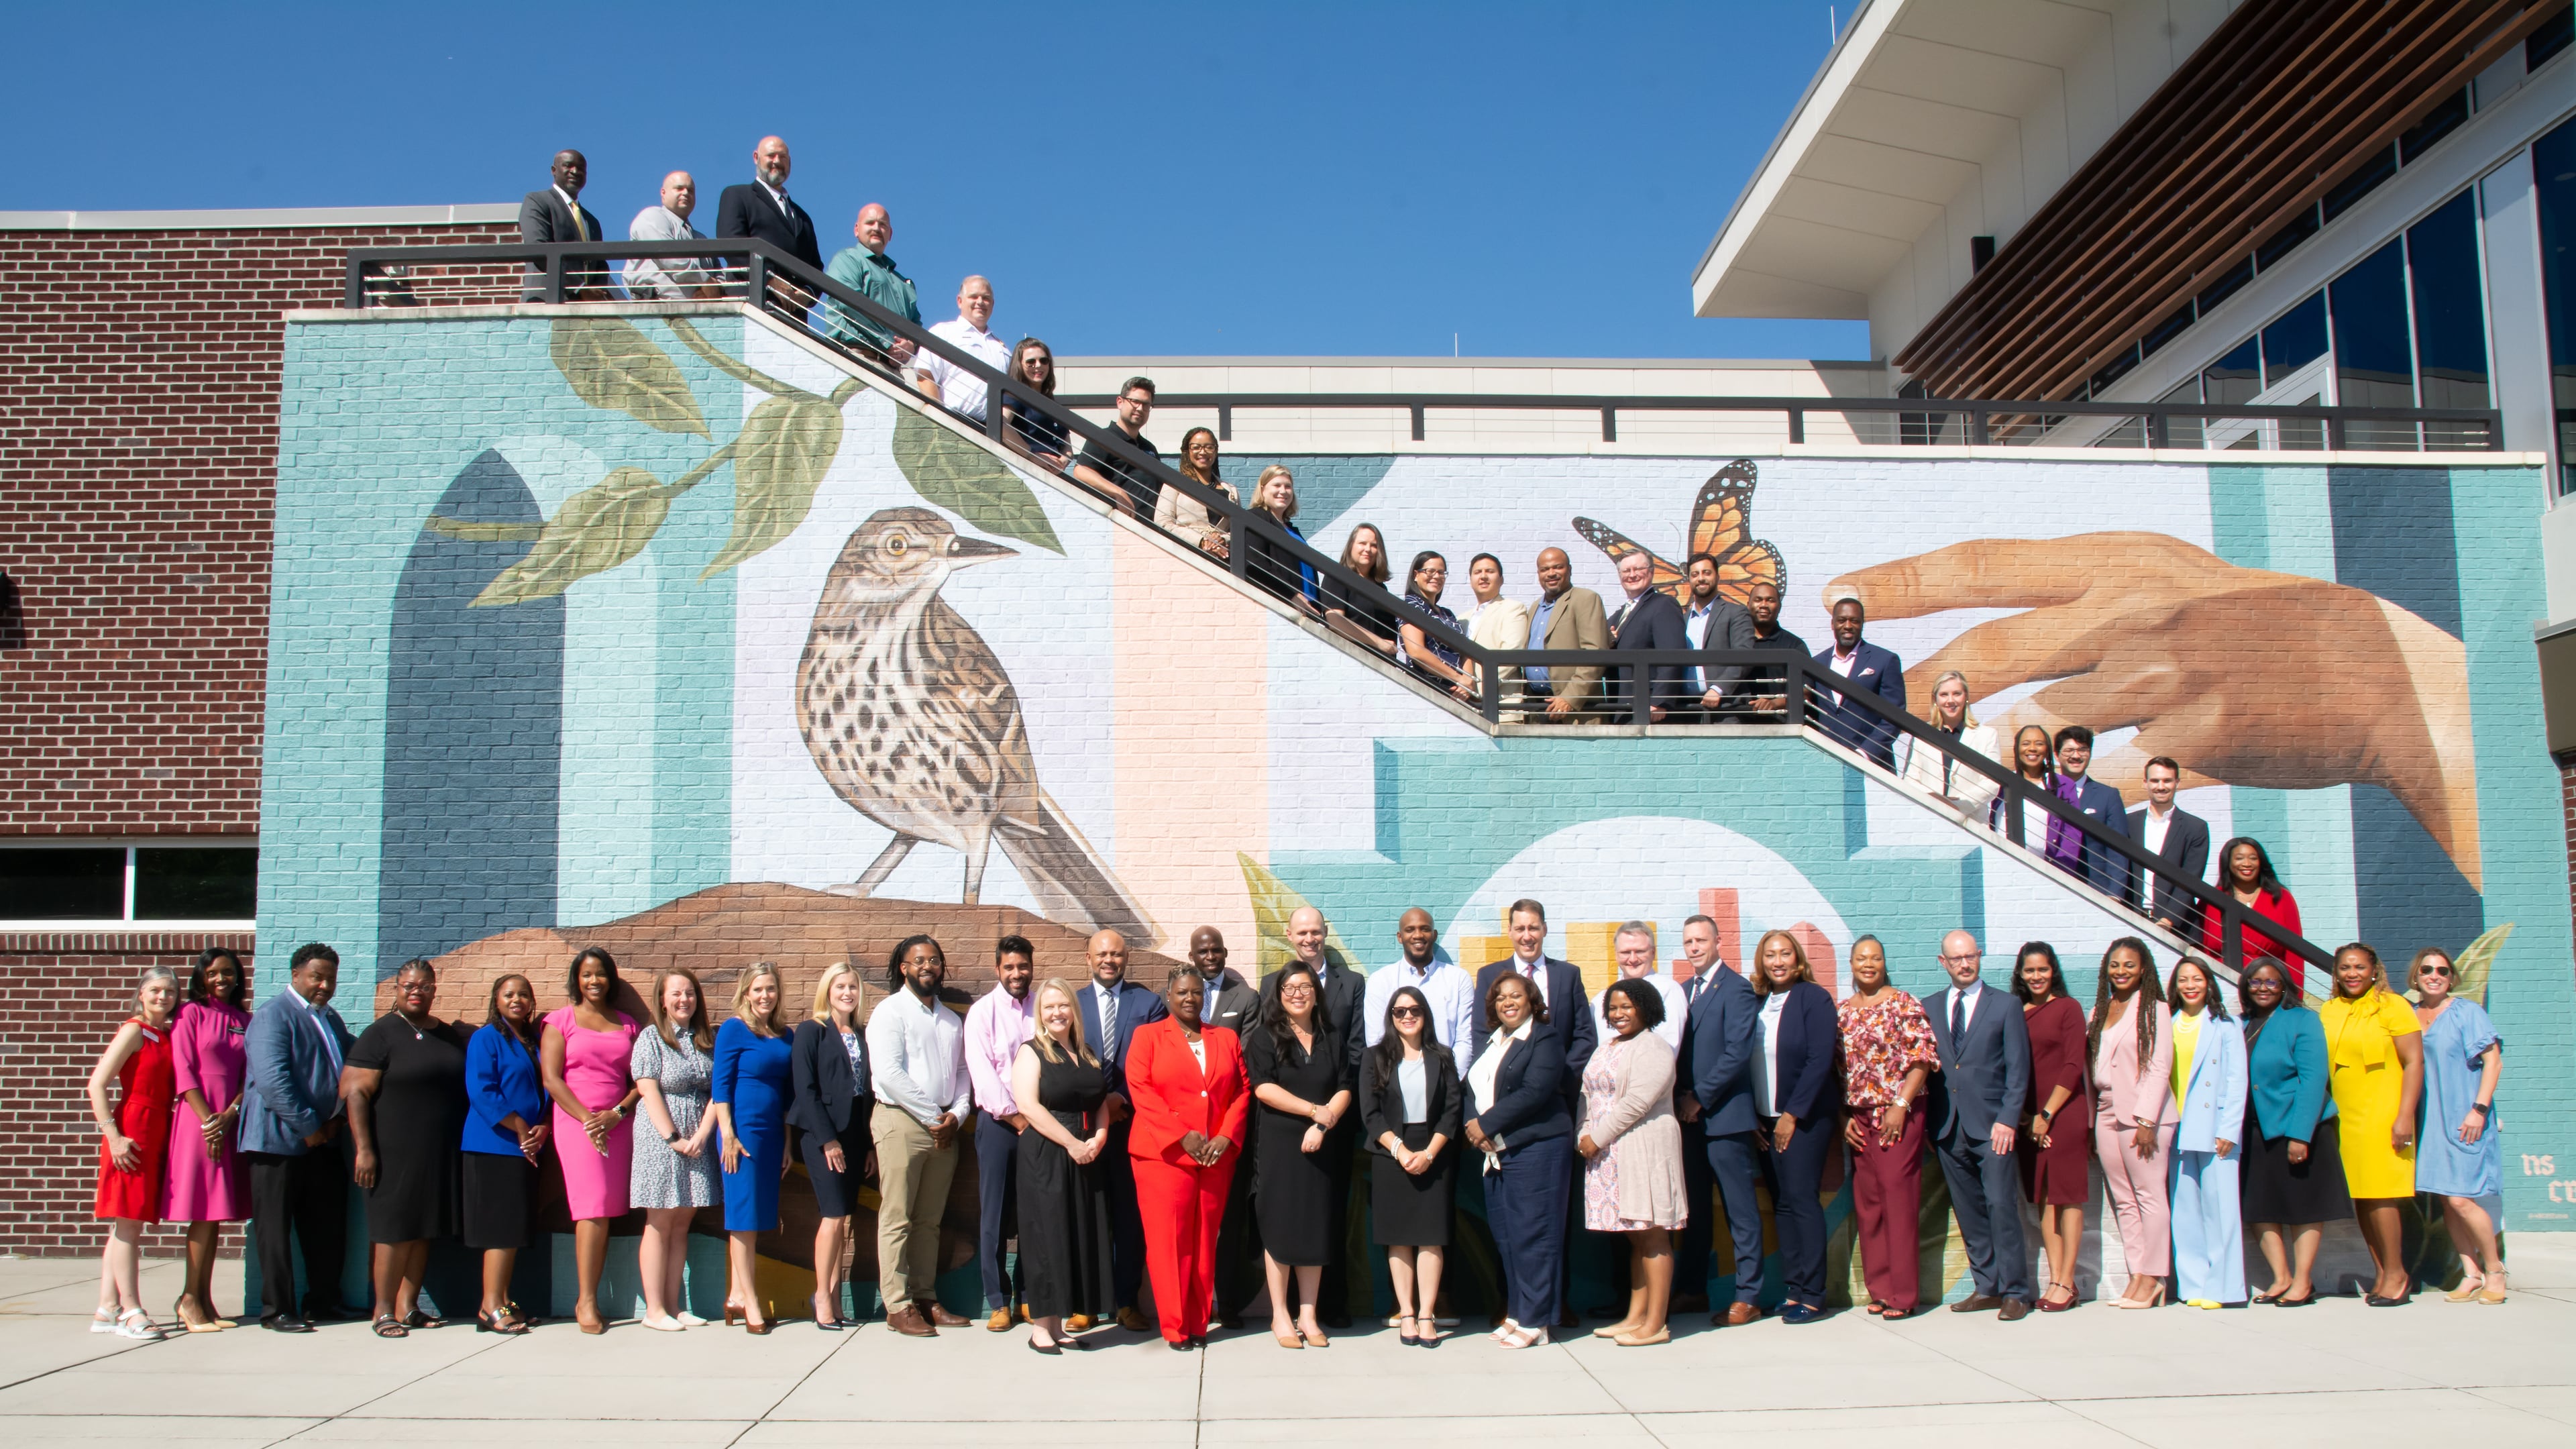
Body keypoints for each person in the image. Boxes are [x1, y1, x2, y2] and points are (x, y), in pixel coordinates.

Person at [1124, 966, 1250, 1348]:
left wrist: (1227, 1135)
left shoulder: (1225, 1038)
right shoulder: (1148, 1036)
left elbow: (1243, 1090)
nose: (1190, 999)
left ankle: (1198, 1323)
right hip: (1163, 1157)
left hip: (1214, 1158)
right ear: (1168, 995)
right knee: (1170, 1243)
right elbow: (1140, 1089)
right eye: (1182, 992)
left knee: (1204, 1243)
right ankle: (1175, 1328)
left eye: (1197, 992)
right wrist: (1182, 1135)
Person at [343, 959, 469, 1338]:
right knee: (394, 1230)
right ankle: (383, 1310)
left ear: (434, 989)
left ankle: (408, 1306)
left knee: (423, 1229)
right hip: (392, 1152)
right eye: (409, 986)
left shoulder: (445, 1034)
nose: (417, 991)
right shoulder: (380, 1034)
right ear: (397, 989)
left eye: (425, 986)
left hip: (437, 1152)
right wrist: (364, 1148)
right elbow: (354, 1092)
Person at [1258, 906, 1368, 1325]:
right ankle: (1283, 1313)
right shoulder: (1270, 984)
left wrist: (1328, 1117)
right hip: (1285, 1128)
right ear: (1289, 935)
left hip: (1333, 1123)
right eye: (1301, 932)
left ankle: (1326, 1309)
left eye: (1316, 931)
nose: (1309, 938)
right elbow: (1265, 1064)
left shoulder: (1351, 983)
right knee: (1285, 1217)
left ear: (1326, 933)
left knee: (1327, 1214)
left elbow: (1353, 1054)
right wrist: (1310, 1112)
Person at [238, 942, 355, 1331]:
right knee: (275, 1230)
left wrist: (334, 1125)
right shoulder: (274, 1016)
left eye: (331, 979)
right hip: (278, 1143)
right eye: (317, 977)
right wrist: (310, 1127)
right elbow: (274, 1083)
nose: (325, 985)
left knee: (326, 1226)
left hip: (324, 1142)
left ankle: (322, 1302)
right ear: (296, 975)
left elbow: (348, 1063)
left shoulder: (330, 1018)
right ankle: (277, 1310)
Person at [1924, 929, 2033, 1319]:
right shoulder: (1930, 1007)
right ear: (1944, 963)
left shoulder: (2005, 1006)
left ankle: (2017, 1291)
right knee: (1969, 1212)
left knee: (2001, 1206)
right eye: (1956, 959)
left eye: (1970, 956)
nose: (1965, 964)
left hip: (1993, 1128)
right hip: (1948, 1127)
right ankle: (1987, 1286)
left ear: (1980, 956)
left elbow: (2019, 1071)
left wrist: (2007, 1119)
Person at [1244, 962, 1353, 1348]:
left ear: (1316, 992)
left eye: (1304, 986)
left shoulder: (1331, 1036)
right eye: (1289, 987)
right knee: (1280, 1228)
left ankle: (1308, 1315)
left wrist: (1323, 1125)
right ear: (1279, 993)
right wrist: (1312, 1112)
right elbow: (1264, 1089)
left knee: (1314, 1228)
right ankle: (1280, 1316)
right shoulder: (1264, 1037)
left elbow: (1344, 1088)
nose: (1297, 994)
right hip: (1279, 1147)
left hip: (1321, 1146)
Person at [869, 934, 973, 1336]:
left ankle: (925, 1298)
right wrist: (935, 1115)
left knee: (929, 1221)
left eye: (934, 960)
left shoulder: (950, 1019)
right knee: (897, 1217)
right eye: (919, 961)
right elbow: (889, 1074)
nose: (928, 967)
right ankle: (897, 1305)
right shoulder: (889, 1012)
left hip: (944, 1130)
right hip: (901, 1123)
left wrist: (957, 1115)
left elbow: (963, 1074)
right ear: (904, 968)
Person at [1464, 971, 1572, 1348]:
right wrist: (1472, 1127)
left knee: (1535, 1235)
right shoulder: (1494, 1042)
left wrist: (1486, 1126)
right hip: (1497, 1151)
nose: (1508, 1002)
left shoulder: (1545, 1038)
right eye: (1500, 998)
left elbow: (1535, 1092)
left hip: (1536, 1148)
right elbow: (1472, 1089)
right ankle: (1518, 1311)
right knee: (1507, 1236)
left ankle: (1538, 1320)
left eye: (1516, 996)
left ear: (1532, 1001)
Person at [1576, 977, 1688, 1345]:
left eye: (1627, 1006)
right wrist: (1584, 1133)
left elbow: (1638, 1103)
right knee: (1636, 1239)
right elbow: (1588, 1095)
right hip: (1610, 1154)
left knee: (1653, 1236)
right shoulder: (1607, 1047)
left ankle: (1656, 1324)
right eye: (1613, 1007)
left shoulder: (1654, 1047)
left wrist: (1597, 1137)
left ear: (1646, 1006)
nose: (1619, 1013)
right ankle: (1635, 1317)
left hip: (1643, 1149)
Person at [1012, 978, 1118, 1352]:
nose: (1057, 1013)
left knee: (1073, 1235)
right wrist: (1073, 1143)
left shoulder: (1086, 1052)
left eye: (1063, 1006)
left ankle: (1058, 1326)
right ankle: (1041, 1328)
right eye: (1048, 1007)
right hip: (1048, 1155)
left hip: (1086, 1154)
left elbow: (1100, 1101)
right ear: (1040, 1014)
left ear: (1074, 1010)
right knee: (1046, 1236)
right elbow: (1029, 1106)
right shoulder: (1032, 1051)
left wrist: (1100, 1138)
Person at [540, 947, 641, 1334]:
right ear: (576, 980)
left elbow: (639, 1083)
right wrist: (589, 1120)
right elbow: (552, 1079)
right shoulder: (560, 1020)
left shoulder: (628, 1024)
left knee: (607, 1210)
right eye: (586, 974)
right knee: (592, 1208)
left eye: (600, 974)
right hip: (578, 1124)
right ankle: (586, 1299)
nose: (594, 980)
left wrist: (616, 1113)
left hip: (618, 1123)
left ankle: (591, 1295)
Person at [1837, 934, 1937, 1319]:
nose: (1868, 964)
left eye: (1875, 958)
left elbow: (1922, 1057)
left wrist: (1901, 1104)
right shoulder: (1843, 1012)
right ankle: (1879, 1289)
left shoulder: (1903, 1003)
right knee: (1870, 1204)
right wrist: (1843, 1117)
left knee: (1898, 1198)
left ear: (1884, 962)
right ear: (1851, 963)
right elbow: (1836, 1072)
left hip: (1899, 1114)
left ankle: (1903, 1295)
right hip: (1858, 1116)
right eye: (1861, 958)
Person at [2235, 959, 2345, 1307]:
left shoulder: (2303, 1019)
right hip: (2254, 1130)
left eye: (2271, 982)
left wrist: (2301, 1135)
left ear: (2284, 986)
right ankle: (2281, 1276)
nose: (2263, 988)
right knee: (2259, 1208)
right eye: (2255, 982)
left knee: (2303, 1208)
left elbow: (2314, 1079)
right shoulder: (2241, 1023)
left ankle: (2303, 1280)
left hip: (2297, 1127)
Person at [2320, 943, 2424, 1305]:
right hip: (2346, 1116)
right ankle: (2382, 1272)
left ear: (2375, 970)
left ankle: (2397, 1273)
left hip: (2383, 1113)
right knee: (2362, 1197)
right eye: (2345, 968)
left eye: (2360, 967)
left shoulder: (2394, 1006)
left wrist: (2404, 1117)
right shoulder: (2329, 1010)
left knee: (2382, 1195)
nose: (2352, 974)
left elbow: (2414, 1063)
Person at [1075, 928, 1167, 1332]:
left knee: (1131, 1218)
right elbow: (1063, 1062)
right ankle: (1087, 1304)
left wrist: (1120, 1101)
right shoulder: (1071, 1005)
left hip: (1134, 1126)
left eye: (1116, 954)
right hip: (1083, 1130)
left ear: (1126, 958)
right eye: (1101, 954)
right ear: (1089, 959)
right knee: (1088, 1216)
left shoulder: (1148, 1003)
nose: (1109, 960)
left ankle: (1127, 1302)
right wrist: (1099, 1104)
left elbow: (1158, 1063)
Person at [1746, 930, 1837, 1322]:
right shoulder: (1759, 1002)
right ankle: (1794, 1288)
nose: (1777, 961)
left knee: (1801, 1200)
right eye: (1770, 955)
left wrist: (1791, 1115)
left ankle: (1814, 1294)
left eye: (1785, 954)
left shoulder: (1814, 998)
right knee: (1782, 1204)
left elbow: (1819, 1060)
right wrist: (1755, 1116)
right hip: (1765, 1120)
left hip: (1803, 1119)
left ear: (1798, 960)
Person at [1363, 983, 1460, 1347]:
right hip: (1392, 1155)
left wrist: (1430, 1154)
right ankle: (1406, 1312)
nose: (1407, 1016)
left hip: (1433, 1154)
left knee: (1431, 1239)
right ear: (1391, 1017)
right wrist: (1401, 1151)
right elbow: (1371, 1116)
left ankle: (1426, 1315)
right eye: (1400, 1011)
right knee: (1399, 1239)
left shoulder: (1443, 1057)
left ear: (1425, 1015)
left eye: (1415, 1010)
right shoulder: (1375, 1057)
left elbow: (1452, 1112)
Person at [1678, 920, 1764, 1326]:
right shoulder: (1682, 992)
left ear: (1718, 942)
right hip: (1688, 1121)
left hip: (1724, 1118)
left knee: (1739, 1210)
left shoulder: (1737, 989)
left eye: (1702, 941)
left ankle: (1749, 1295)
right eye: (1689, 942)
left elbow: (1736, 1053)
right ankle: (1692, 1290)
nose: (1695, 948)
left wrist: (1699, 1097)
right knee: (1693, 1211)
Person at [89, 965, 180, 1340]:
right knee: (127, 1225)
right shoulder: (133, 1030)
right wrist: (114, 1137)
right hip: (131, 1134)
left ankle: (107, 1307)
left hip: (157, 1130)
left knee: (127, 1225)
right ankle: (132, 1310)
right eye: (155, 990)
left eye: (170, 991)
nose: (163, 997)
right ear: (141, 993)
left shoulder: (166, 1034)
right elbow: (96, 1085)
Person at [2410, 947, 2504, 1304]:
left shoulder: (2468, 1013)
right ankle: (2471, 1273)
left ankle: (2494, 1270)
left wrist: (2478, 1110)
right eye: (2427, 969)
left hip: (2465, 1117)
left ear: (2452, 978)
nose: (2434, 975)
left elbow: (2493, 1063)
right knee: (2447, 1201)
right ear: (2415, 976)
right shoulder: (2409, 1014)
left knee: (2461, 1199)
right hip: (2429, 1121)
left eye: (2443, 971)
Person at [164, 947, 251, 1332]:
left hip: (229, 1121)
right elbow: (183, 1071)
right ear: (201, 976)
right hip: (197, 1122)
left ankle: (204, 1299)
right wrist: (208, 1122)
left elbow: (250, 1076)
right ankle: (189, 1300)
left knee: (215, 1215)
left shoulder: (243, 1019)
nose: (221, 979)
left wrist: (231, 1114)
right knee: (203, 1211)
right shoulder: (189, 1014)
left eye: (228, 972)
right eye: (214, 973)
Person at [630, 968, 719, 1331]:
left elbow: (719, 1090)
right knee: (660, 1221)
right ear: (662, 1001)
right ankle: (654, 1310)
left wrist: (701, 1134)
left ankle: (674, 1305)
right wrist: (674, 1138)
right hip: (661, 1139)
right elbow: (649, 1090)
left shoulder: (706, 1039)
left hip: (698, 1139)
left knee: (682, 1222)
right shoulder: (651, 1038)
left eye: (690, 993)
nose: (684, 1000)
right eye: (676, 994)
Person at [2088, 936, 2174, 1309]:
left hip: (2142, 1116)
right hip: (2106, 1111)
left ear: (2143, 969)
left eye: (2129, 965)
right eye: (2115, 965)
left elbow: (2159, 1066)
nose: (2121, 972)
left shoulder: (2154, 1009)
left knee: (2150, 1197)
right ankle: (2137, 1274)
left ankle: (2154, 1277)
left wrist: (2147, 1119)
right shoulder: (2100, 1010)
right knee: (2123, 1199)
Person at [793, 961, 877, 1330]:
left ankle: (834, 1296)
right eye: (840, 986)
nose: (847, 993)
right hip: (823, 1136)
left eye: (853, 987)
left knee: (843, 1217)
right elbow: (806, 1090)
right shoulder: (812, 1031)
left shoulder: (860, 1032)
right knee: (831, 1216)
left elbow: (868, 1091)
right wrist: (828, 1140)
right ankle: (823, 1299)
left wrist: (871, 1145)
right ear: (828, 990)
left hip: (856, 1136)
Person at [462, 974, 549, 1334]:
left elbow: (545, 1090)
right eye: (509, 994)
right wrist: (519, 1126)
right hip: (493, 1145)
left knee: (513, 1230)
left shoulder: (532, 1042)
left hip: (524, 1147)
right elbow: (482, 1090)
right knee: (499, 1231)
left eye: (524, 995)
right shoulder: (487, 1039)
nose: (517, 1000)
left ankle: (504, 1299)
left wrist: (542, 1126)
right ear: (496, 1000)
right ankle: (490, 1306)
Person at [711, 963, 794, 1333]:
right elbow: (721, 1086)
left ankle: (735, 1295)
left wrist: (788, 1142)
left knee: (759, 1217)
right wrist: (728, 1134)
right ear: (746, 992)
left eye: (771, 989)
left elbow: (788, 1095)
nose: (765, 996)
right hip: (740, 1135)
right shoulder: (733, 1029)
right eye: (758, 989)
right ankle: (752, 1302)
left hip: (773, 1135)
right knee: (743, 1218)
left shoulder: (785, 1034)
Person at [965, 937, 1039, 1331]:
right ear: (998, 970)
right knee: (994, 1214)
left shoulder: (1041, 1008)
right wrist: (1017, 1120)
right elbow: (983, 1077)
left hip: (1040, 1126)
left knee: (1033, 1213)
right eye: (1009, 967)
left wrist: (1039, 1122)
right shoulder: (982, 1012)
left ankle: (1029, 1294)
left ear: (1031, 967)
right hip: (999, 1126)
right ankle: (998, 1301)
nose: (1017, 974)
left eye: (1023, 966)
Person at [2165, 957, 2247, 1309]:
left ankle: (2224, 1288)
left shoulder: (2225, 1026)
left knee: (2221, 1211)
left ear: (2209, 983)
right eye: (2183, 979)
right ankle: (2194, 1286)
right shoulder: (2168, 1023)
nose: (2190, 985)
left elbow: (2236, 1079)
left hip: (2215, 1129)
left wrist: (2229, 1128)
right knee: (2185, 1213)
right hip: (2177, 1127)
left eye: (2197, 978)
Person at [2011, 943, 2089, 1311]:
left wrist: (2046, 1114)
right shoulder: (2017, 1012)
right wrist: (2026, 1116)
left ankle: (2067, 1281)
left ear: (2053, 971)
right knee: (2043, 1198)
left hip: (2063, 1114)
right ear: (2021, 974)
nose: (2036, 977)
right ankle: (2055, 1277)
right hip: (2030, 1121)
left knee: (2067, 1196)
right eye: (2030, 971)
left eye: (2042, 970)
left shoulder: (2068, 1008)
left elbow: (2073, 1065)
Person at [714, 136, 823, 299]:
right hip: (752, 303)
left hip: (793, 314)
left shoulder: (803, 218)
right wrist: (769, 280)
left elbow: (815, 267)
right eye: (771, 155)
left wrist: (806, 294)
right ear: (756, 158)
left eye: (783, 157)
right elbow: (733, 247)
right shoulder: (737, 196)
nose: (777, 161)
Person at [1365, 907, 1478, 1064]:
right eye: (1410, 930)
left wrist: (1450, 1079)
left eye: (1425, 929)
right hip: (1395, 1080)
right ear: (1400, 937)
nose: (1418, 935)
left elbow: (1465, 1040)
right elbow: (1376, 1040)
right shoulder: (1380, 981)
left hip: (1448, 1078)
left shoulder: (1458, 979)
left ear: (1434, 935)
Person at [1811, 596, 1905, 767]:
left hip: (1873, 765)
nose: (1848, 626)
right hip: (1826, 763)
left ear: (1862, 624)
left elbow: (1894, 718)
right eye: (1842, 620)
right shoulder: (1816, 664)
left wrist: (1864, 754)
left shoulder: (1884, 660)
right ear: (1833, 624)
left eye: (1854, 621)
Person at [824, 204, 920, 369]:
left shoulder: (903, 283)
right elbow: (850, 303)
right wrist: (889, 342)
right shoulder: (847, 260)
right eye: (870, 223)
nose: (877, 228)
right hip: (857, 360)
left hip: (894, 370)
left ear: (890, 234)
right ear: (856, 229)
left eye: (883, 225)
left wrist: (912, 346)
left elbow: (916, 327)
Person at [2204, 838, 2307, 990]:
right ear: (2228, 863)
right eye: (2239, 858)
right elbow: (2205, 950)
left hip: (2269, 988)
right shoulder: (2212, 898)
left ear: (2261, 863)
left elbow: (2295, 953)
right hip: (2223, 987)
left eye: (2253, 858)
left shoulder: (2281, 898)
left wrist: (2294, 995)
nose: (2247, 864)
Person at [2044, 726, 2132, 896]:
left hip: (2096, 889)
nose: (2076, 756)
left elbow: (2118, 850)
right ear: (2057, 755)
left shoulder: (2108, 796)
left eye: (2083, 750)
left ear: (2090, 753)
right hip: (2051, 883)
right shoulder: (2045, 791)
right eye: (2069, 750)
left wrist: (2115, 895)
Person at [1523, 547, 1609, 720]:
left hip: (1574, 709)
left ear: (1569, 570)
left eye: (1558, 567)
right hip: (1537, 706)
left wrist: (1570, 698)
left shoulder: (1586, 599)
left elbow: (1595, 654)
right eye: (1545, 569)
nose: (1551, 573)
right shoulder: (1534, 608)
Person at [1900, 669, 2001, 815]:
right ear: (1935, 700)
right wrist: (1935, 802)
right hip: (1931, 818)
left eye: (1957, 694)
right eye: (1944, 695)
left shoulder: (1987, 735)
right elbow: (1911, 779)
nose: (1951, 701)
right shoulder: (1922, 736)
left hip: (1971, 821)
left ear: (1966, 696)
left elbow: (1991, 784)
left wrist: (1958, 805)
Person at [1605, 549, 1690, 722]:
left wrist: (1660, 701)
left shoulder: (1663, 605)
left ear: (1651, 571)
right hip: (1621, 707)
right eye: (1626, 571)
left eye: (1638, 569)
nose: (1632, 575)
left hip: (1649, 708)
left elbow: (1672, 655)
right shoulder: (1617, 616)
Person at [2129, 756, 2211, 934]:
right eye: (2155, 781)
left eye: (2167, 781)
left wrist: (2167, 921)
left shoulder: (2196, 828)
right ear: (2145, 783)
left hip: (2180, 928)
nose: (2161, 787)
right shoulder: (2129, 823)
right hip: (2133, 919)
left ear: (2177, 783)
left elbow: (2191, 881)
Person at [913, 275, 1011, 424]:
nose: (980, 302)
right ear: (960, 301)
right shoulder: (943, 332)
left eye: (986, 298)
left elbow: (1010, 397)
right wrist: (941, 421)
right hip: (954, 423)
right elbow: (925, 376)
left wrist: (1003, 427)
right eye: (974, 296)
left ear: (992, 304)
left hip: (992, 432)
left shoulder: (1002, 349)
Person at [517, 148, 608, 301]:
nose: (575, 171)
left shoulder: (591, 221)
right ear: (554, 170)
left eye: (581, 169)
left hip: (585, 310)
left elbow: (600, 264)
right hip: (546, 303)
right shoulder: (538, 201)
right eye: (568, 166)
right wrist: (580, 288)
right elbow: (538, 248)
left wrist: (597, 293)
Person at [1679, 552, 1757, 720]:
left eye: (1706, 573)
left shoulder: (1736, 613)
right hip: (1687, 709)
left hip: (1726, 707)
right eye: (1695, 574)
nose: (1701, 578)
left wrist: (1719, 688)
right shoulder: (1681, 619)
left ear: (1718, 576)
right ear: (1689, 580)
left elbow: (1745, 654)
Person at [1590, 922, 1688, 1054]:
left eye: (1640, 951)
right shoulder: (1599, 1001)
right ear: (1616, 955)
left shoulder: (1668, 990)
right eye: (1625, 952)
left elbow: (1668, 1049)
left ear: (1653, 953)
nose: (1633, 959)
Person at [1070, 376, 1162, 517]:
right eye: (1135, 402)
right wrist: (1118, 492)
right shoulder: (1104, 438)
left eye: (1146, 405)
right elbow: (1081, 471)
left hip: (1151, 531)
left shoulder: (1150, 448)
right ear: (1120, 402)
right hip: (1119, 527)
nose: (1140, 408)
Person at [623, 170, 717, 301]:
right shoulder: (652, 216)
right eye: (679, 188)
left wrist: (715, 290)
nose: (685, 193)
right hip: (658, 311)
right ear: (663, 193)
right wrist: (705, 281)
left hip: (701, 312)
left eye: (691, 190)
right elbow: (669, 257)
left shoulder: (701, 238)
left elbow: (719, 274)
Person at [1459, 553, 1531, 713]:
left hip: (1502, 706)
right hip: (1467, 707)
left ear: (1501, 579)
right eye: (1478, 572)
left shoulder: (1513, 608)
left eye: (1490, 571)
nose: (1483, 576)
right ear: (1471, 580)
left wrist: (1476, 689)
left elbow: (1511, 654)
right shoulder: (1462, 619)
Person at [1322, 523, 1407, 659]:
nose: (1368, 549)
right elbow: (1335, 622)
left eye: (1374, 545)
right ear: (1351, 546)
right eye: (1362, 543)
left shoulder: (1381, 588)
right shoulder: (1337, 577)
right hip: (1352, 661)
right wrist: (1379, 643)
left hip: (1383, 667)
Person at [1242, 465, 1320, 608]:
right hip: (1285, 604)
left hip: (1309, 607)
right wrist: (1291, 595)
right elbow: (1255, 562)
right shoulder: (1256, 518)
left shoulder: (1291, 529)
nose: (1283, 491)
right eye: (1277, 485)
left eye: (1288, 487)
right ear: (1263, 489)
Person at [1154, 427, 1238, 557]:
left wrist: (1222, 540)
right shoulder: (1174, 485)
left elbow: (1239, 530)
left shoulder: (1231, 491)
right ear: (1187, 451)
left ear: (1215, 452)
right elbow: (1163, 523)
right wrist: (1201, 541)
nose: (1203, 452)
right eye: (1196, 447)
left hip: (1224, 558)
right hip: (1188, 555)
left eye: (1209, 447)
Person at [1395, 551, 1471, 691]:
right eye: (1430, 571)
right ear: (1416, 575)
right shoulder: (1411, 606)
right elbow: (1416, 652)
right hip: (1428, 688)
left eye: (1441, 573)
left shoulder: (1448, 614)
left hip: (1457, 690)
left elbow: (1465, 652)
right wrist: (1459, 679)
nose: (1436, 576)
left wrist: (1467, 683)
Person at [1737, 579, 1810, 719]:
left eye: (1770, 600)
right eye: (1758, 600)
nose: (1764, 605)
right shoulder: (1736, 642)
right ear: (1748, 605)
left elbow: (1806, 692)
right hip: (1738, 724)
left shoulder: (1794, 645)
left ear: (1779, 606)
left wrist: (1775, 703)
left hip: (1781, 726)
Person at [1000, 337, 1073, 472]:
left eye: (1044, 361)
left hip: (1055, 474)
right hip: (1027, 470)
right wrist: (1032, 455)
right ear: (1020, 365)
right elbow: (1001, 425)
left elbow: (1068, 447)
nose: (1038, 365)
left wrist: (1064, 460)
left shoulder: (1053, 404)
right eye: (1031, 362)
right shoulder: (1014, 395)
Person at [1996, 724, 2055, 835]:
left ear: (2047, 750)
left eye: (2039, 744)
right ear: (2017, 749)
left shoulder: (2063, 785)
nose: (2032, 748)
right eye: (2026, 744)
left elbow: (2070, 832)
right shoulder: (2002, 784)